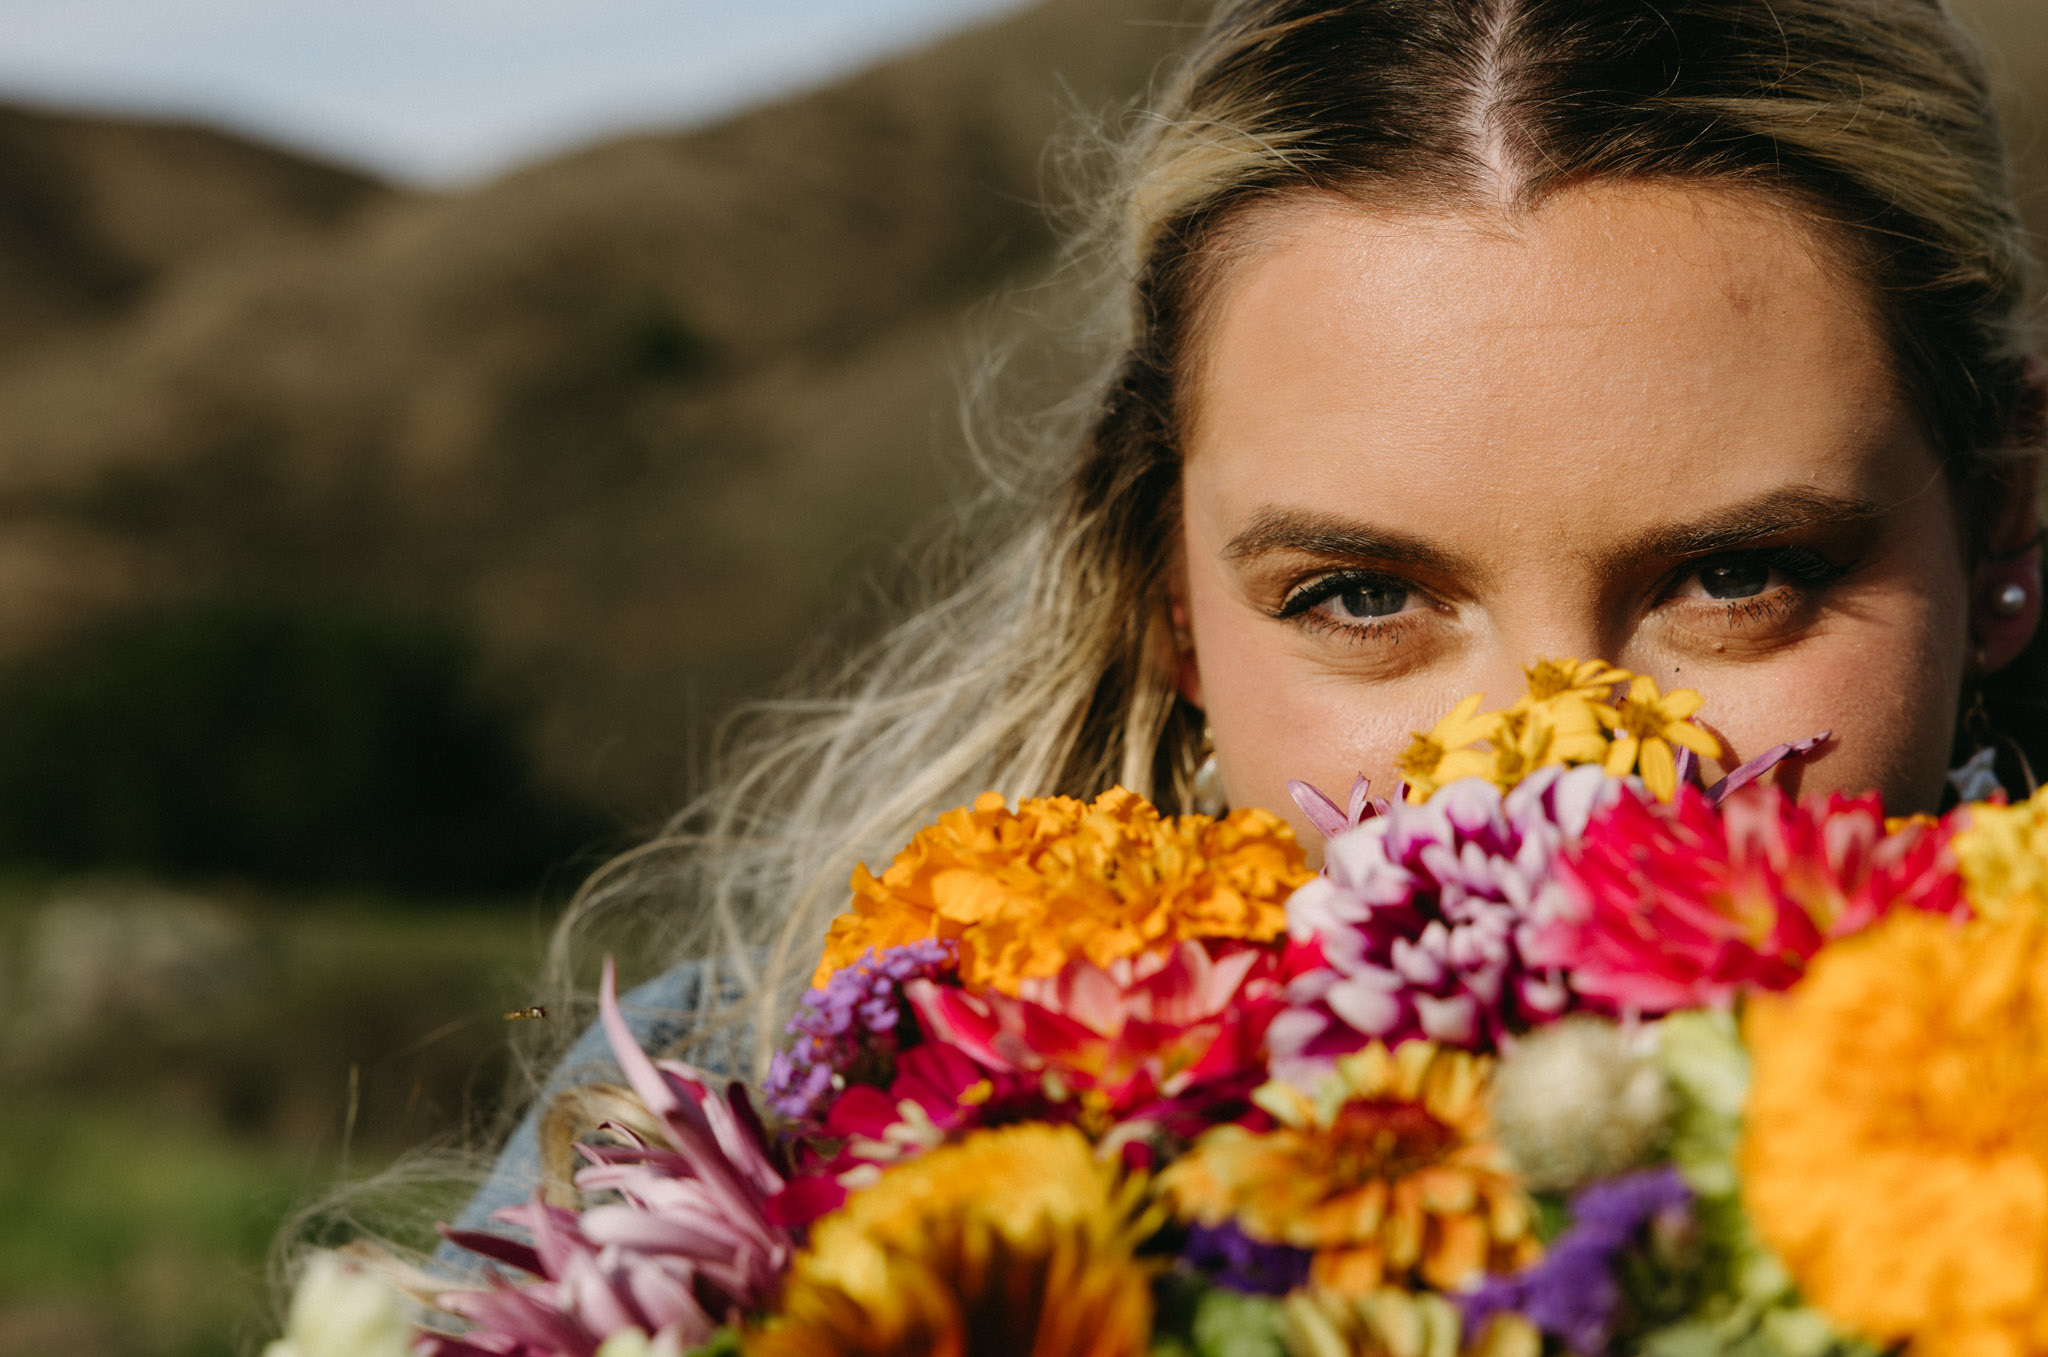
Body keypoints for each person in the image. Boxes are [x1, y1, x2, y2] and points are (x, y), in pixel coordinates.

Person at [450, 0, 2047, 1239]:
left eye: (1736, 575)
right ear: (1169, 601)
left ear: (1999, 526)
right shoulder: (736, 1138)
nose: (1548, 781)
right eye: (1363, 595)